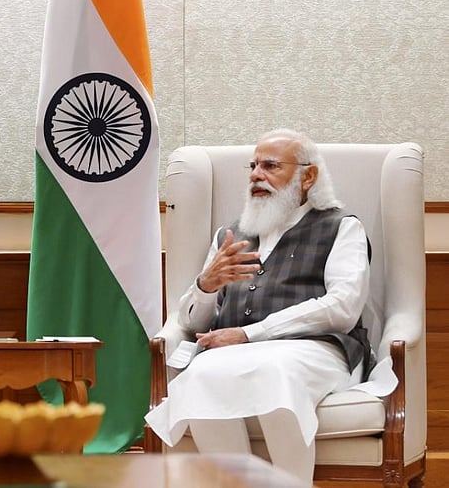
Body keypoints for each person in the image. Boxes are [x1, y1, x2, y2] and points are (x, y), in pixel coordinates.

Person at [144, 128, 374, 483]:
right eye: (252, 166)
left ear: (308, 176)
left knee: (274, 371)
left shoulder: (341, 227)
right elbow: (192, 323)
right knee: (201, 375)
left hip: (318, 348)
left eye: (270, 166)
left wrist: (250, 334)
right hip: (234, 352)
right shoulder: (231, 236)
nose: (255, 175)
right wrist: (206, 286)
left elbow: (343, 308)